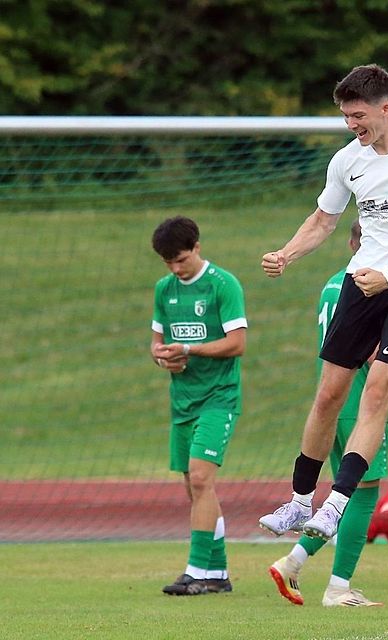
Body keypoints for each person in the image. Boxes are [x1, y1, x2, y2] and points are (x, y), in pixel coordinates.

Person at [257, 63, 388, 542]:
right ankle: (299, 501)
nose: (352, 125)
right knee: (329, 394)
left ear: (385, 107)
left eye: (357, 115)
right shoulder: (348, 160)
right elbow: (324, 221)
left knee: (378, 393)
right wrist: (286, 253)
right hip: (361, 282)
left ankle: (336, 504)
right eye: (346, 117)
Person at [268, 221, 388, 607]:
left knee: (336, 500)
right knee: (360, 497)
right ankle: (338, 587)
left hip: (329, 404)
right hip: (360, 405)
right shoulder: (373, 287)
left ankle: (293, 562)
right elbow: (374, 352)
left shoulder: (333, 285)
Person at [150, 216, 247, 596]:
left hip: (219, 398)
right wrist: (163, 359)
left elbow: (237, 343)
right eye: (168, 263)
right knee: (195, 487)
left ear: (197, 248)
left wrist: (190, 349)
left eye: (181, 260)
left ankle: (195, 570)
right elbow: (156, 345)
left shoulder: (223, 285)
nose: (176, 268)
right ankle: (218, 573)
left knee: (203, 478)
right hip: (183, 401)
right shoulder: (164, 290)